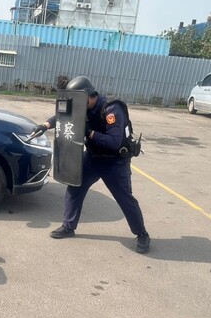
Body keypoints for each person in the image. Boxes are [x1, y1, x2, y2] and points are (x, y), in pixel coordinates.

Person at [31, 76, 151, 253]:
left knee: (125, 199)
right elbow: (63, 114)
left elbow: (113, 142)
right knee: (74, 188)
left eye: (78, 99)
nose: (75, 104)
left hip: (114, 162)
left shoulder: (111, 109)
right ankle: (68, 226)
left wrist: (89, 132)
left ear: (88, 95)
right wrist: (45, 125)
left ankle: (142, 234)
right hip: (93, 158)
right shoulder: (82, 105)